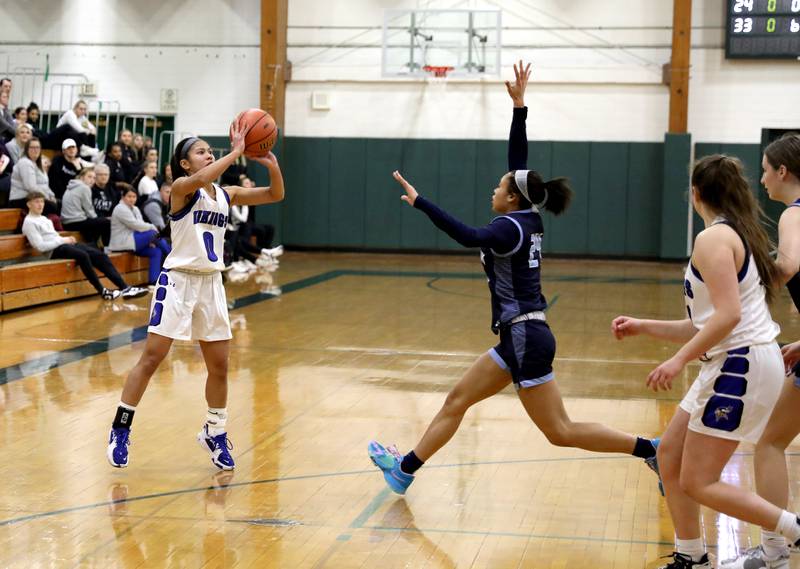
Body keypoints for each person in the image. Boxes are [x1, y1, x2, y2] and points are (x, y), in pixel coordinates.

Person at [368, 61, 661, 497]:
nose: (493, 189)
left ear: (510, 197)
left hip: (525, 336)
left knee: (560, 430)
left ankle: (651, 449)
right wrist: (519, 108)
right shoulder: (528, 215)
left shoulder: (509, 227)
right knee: (457, 399)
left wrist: (421, 202)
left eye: (498, 186)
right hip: (517, 336)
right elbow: (517, 165)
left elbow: (468, 235)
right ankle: (405, 470)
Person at [611, 154, 800, 569]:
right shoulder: (736, 234)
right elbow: (708, 321)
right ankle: (691, 556)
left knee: (698, 480)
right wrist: (644, 325)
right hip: (733, 360)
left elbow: (729, 317)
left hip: (739, 365)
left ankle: (793, 529)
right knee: (670, 456)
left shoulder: (713, 239)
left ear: (695, 195)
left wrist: (677, 361)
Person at [105, 125, 285, 470]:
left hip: (211, 284)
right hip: (178, 282)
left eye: (209, 150)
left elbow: (274, 195)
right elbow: (204, 177)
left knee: (220, 365)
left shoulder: (226, 193)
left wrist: (271, 165)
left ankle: (214, 432)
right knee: (152, 357)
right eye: (201, 151)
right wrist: (237, 151)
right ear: (185, 165)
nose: (208, 153)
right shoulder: (182, 190)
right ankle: (120, 429)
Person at [718, 133, 800, 569]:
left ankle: (776, 552)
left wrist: (746, 271)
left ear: (783, 171)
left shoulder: (793, 215)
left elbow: (786, 268)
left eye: (766, 170)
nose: (763, 179)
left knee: (770, 442)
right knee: (772, 439)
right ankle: (775, 550)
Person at [22, 192, 147, 300]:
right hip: (53, 251)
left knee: (99, 254)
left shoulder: (45, 219)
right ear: (29, 204)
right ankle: (102, 291)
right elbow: (41, 246)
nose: (40, 205)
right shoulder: (29, 222)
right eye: (36, 202)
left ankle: (125, 288)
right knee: (83, 255)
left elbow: (54, 237)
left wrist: (65, 240)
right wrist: (63, 240)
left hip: (62, 245)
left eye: (42, 201)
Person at [109, 187, 170, 285]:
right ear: (123, 197)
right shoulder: (120, 208)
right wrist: (152, 227)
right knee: (152, 233)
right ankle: (170, 254)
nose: (132, 199)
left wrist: (149, 241)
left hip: (134, 241)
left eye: (134, 197)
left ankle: (154, 281)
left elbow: (140, 225)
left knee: (156, 251)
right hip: (122, 243)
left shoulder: (135, 208)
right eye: (129, 196)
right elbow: (136, 225)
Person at [61, 167, 111, 246]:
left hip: (66, 222)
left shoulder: (71, 186)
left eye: (94, 178)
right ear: (82, 177)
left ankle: (92, 245)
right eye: (89, 177)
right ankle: (107, 249)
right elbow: (89, 211)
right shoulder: (85, 188)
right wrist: (99, 219)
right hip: (75, 222)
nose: (92, 180)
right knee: (107, 223)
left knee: (93, 226)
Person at [9, 137, 59, 214]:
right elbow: (30, 187)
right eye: (32, 147)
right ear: (26, 149)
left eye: (37, 147)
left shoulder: (38, 165)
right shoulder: (25, 163)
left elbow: (45, 185)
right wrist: (46, 197)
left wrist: (52, 196)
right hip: (20, 198)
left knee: (59, 203)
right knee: (53, 206)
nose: (35, 150)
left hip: (36, 197)